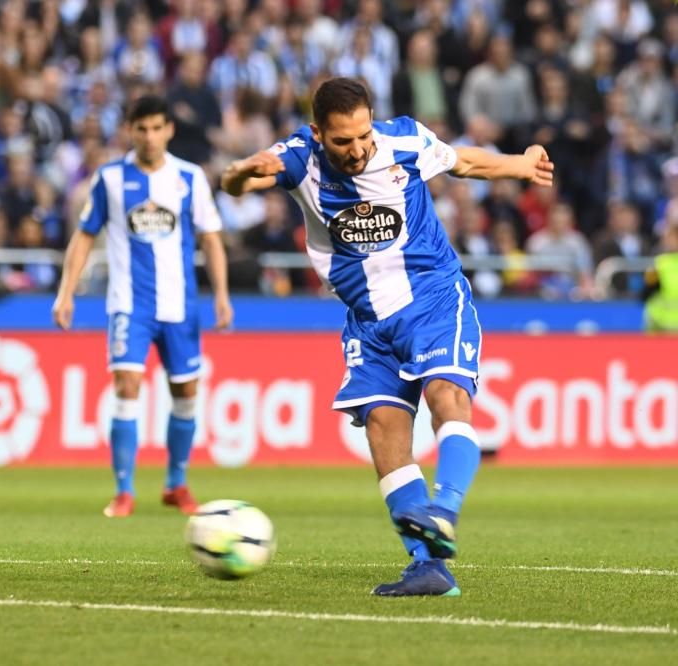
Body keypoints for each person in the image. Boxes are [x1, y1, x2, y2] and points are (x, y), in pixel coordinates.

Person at [220, 77, 554, 597]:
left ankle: (442, 512)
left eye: (362, 136)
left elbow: (464, 161)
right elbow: (242, 183)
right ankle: (429, 567)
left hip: (433, 297)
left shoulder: (403, 141)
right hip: (367, 319)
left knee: (447, 397)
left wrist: (519, 164)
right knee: (383, 429)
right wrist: (239, 176)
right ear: (317, 132)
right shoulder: (296, 158)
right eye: (341, 141)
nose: (355, 150)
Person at [53, 95, 233, 518]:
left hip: (180, 307)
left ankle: (176, 483)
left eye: (157, 128)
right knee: (126, 388)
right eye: (141, 128)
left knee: (186, 393)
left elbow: (211, 238)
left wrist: (222, 295)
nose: (149, 137)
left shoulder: (190, 177)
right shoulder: (110, 179)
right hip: (129, 306)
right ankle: (124, 491)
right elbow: (83, 235)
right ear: (129, 131)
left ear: (169, 129)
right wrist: (67, 291)